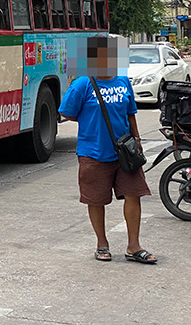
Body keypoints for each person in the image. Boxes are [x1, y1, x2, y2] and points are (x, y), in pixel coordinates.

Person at [58, 36, 156, 264]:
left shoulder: (122, 80)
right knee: (96, 199)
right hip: (92, 152)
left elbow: (130, 111)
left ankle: (134, 246)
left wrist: (137, 138)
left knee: (134, 195)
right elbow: (67, 112)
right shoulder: (82, 83)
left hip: (124, 152)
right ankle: (102, 244)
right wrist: (91, 122)